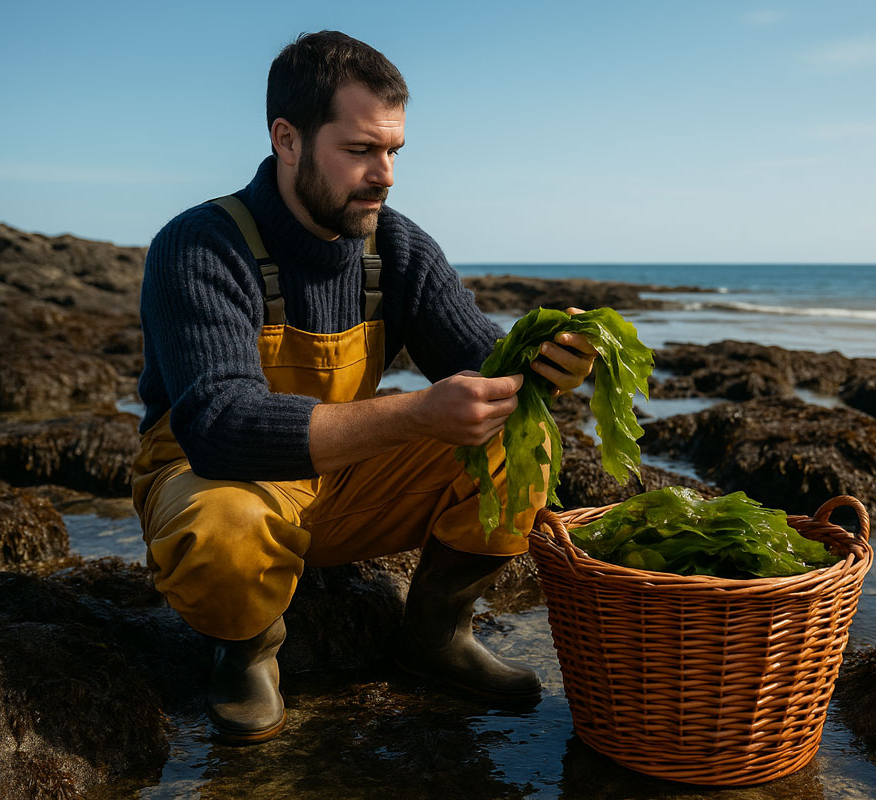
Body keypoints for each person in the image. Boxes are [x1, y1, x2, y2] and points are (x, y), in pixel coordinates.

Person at [131, 30, 597, 744]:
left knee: (522, 443)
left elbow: (482, 360)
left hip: (340, 477)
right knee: (223, 529)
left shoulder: (397, 247)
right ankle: (246, 651)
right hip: (215, 479)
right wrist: (416, 416)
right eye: (360, 151)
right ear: (288, 140)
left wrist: (545, 359)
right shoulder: (200, 246)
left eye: (393, 152)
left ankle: (436, 634)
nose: (384, 174)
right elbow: (219, 426)